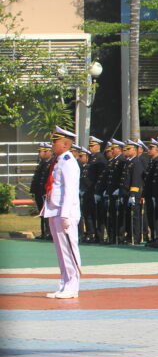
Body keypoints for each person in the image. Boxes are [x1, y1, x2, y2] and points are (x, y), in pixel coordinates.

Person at [42, 127, 81, 298]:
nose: (52, 145)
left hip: (65, 212)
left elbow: (70, 191)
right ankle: (65, 285)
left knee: (69, 250)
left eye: (55, 141)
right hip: (55, 210)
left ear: (65, 144)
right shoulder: (59, 161)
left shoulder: (69, 161)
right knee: (61, 251)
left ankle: (72, 286)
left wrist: (65, 214)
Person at [30, 143, 53, 240]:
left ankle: (49, 232)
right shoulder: (42, 163)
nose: (39, 154)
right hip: (39, 192)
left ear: (48, 151)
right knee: (42, 213)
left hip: (45, 192)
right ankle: (44, 232)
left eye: (41, 151)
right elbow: (37, 178)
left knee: (47, 213)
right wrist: (33, 190)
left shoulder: (52, 163)